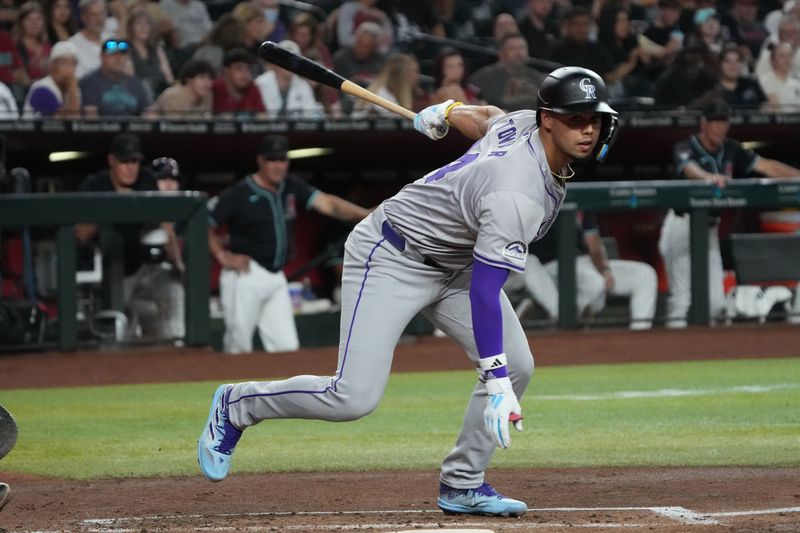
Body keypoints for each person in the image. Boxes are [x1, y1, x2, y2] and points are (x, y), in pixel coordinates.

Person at [197, 67, 620, 517]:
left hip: (453, 263)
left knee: (518, 364)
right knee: (353, 397)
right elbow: (485, 291)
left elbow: (486, 117)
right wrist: (494, 379)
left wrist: (446, 110)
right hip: (392, 255)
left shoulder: (522, 126)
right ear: (547, 120)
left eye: (592, 118)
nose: (587, 128)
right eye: (574, 118)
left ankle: (462, 483)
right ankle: (237, 404)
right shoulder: (518, 193)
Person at [207, 134, 371, 354]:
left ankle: (277, 389)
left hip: (276, 276)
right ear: (260, 161)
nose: (278, 166)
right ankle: (226, 389)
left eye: (282, 160)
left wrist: (365, 214)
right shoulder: (240, 192)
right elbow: (204, 223)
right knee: (238, 346)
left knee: (286, 347)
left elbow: (327, 203)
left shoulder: (291, 186)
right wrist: (222, 256)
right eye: (272, 160)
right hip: (245, 275)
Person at [659, 99, 800, 328]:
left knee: (716, 305)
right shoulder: (686, 146)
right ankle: (668, 355)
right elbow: (689, 169)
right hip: (681, 225)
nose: (720, 127)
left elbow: (767, 167)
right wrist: (709, 178)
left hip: (708, 229)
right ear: (704, 123)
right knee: (682, 302)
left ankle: (706, 357)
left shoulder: (732, 148)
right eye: (715, 121)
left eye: (723, 121)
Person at [76, 133, 185, 339]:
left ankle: (174, 347)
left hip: (146, 265)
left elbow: (164, 224)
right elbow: (81, 233)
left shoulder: (146, 180)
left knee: (173, 292)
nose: (131, 167)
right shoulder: (96, 184)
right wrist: (112, 205)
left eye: (134, 161)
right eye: (125, 161)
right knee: (117, 331)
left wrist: (178, 263)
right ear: (112, 161)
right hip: (111, 270)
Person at [509, 211, 658, 330]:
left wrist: (605, 269)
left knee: (644, 274)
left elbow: (594, 243)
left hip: (582, 264)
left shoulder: (576, 197)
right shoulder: (530, 201)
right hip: (545, 269)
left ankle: (640, 333)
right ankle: (567, 317)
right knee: (595, 283)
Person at [467, 32, 546, 111]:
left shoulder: (536, 77)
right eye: (512, 49)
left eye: (522, 48)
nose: (518, 53)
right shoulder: (482, 78)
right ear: (501, 53)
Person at [79, 38, 152, 117]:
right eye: (112, 54)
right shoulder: (89, 82)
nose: (118, 59)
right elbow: (90, 118)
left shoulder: (136, 83)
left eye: (122, 54)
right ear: (101, 56)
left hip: (134, 128)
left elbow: (148, 115)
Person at [254, 38, 323, 118]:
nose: (288, 65)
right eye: (284, 60)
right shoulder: (260, 83)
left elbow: (312, 117)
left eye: (292, 61)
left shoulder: (303, 86)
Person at [22, 39, 80, 117]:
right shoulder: (41, 89)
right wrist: (73, 93)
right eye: (64, 63)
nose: (69, 69)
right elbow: (63, 123)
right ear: (52, 65)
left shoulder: (76, 90)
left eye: (72, 63)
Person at [126, 10, 174, 100]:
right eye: (138, 24)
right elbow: (129, 79)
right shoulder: (126, 49)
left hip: (161, 92)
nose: (143, 28)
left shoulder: (157, 48)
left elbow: (168, 76)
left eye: (146, 24)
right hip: (139, 94)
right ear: (131, 28)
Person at [211, 47, 266, 116]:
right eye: (239, 68)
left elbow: (263, 116)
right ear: (226, 70)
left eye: (248, 69)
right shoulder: (215, 88)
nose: (244, 74)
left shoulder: (252, 87)